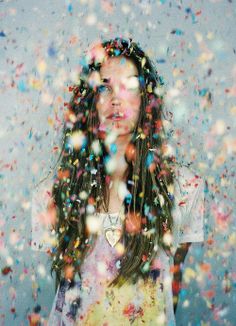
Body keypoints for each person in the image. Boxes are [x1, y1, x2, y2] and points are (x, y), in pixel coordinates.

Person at [31, 37, 205, 325]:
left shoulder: (185, 188)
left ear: (146, 100)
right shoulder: (51, 195)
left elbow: (172, 279)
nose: (116, 99)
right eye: (104, 87)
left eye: (130, 87)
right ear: (90, 101)